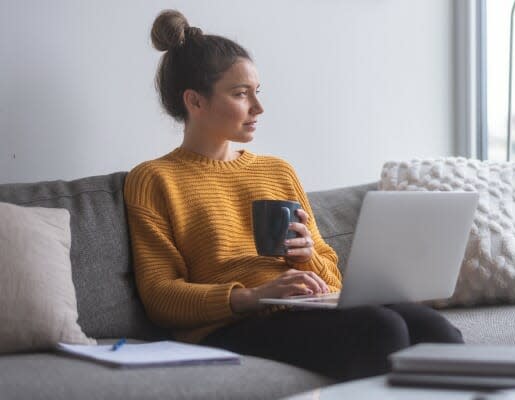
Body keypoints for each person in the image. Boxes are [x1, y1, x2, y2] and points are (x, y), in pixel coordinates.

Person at [124, 9, 463, 381]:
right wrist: (251, 296)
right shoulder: (154, 180)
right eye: (241, 94)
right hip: (228, 326)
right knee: (380, 329)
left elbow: (331, 278)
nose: (258, 107)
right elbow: (160, 296)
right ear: (196, 101)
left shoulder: (277, 170)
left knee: (437, 331)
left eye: (257, 92)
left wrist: (306, 259)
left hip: (303, 310)